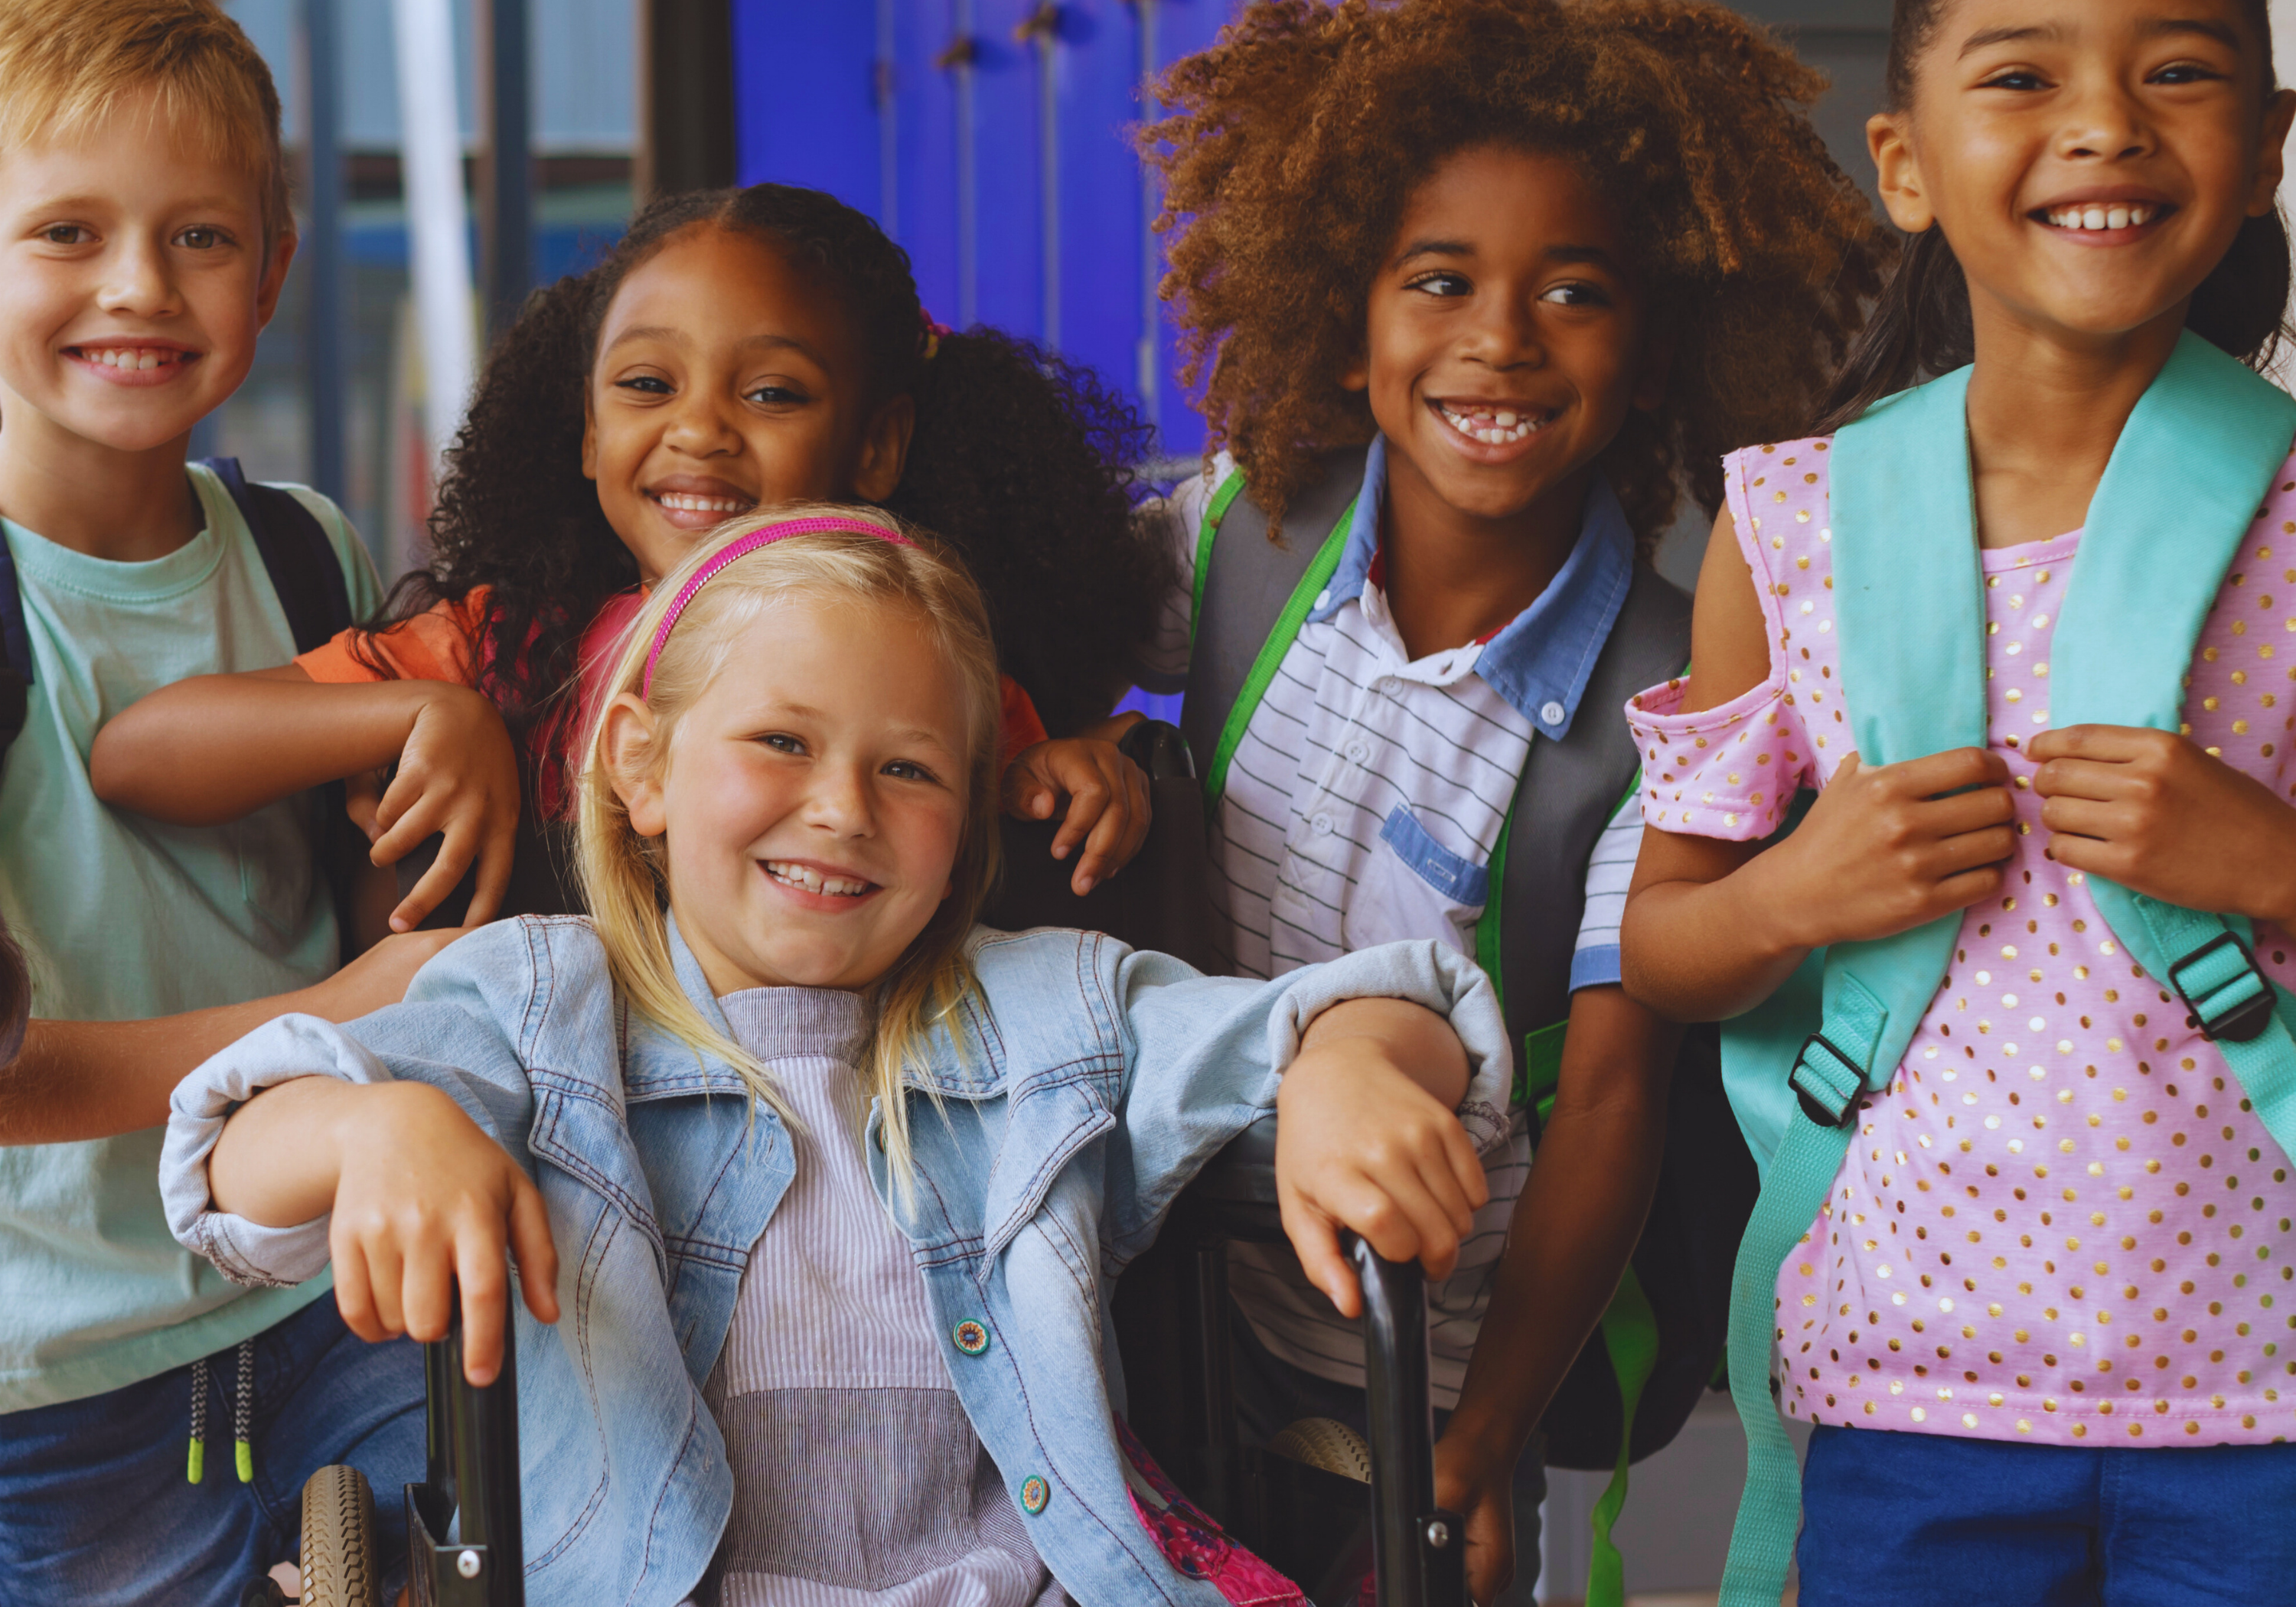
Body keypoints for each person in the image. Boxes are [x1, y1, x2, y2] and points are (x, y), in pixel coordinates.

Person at [158, 510, 1515, 1607]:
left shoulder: (1047, 1013)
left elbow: (1402, 1005)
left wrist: (1347, 1060)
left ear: (967, 811)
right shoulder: (536, 1004)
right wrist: (375, 1128)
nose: (841, 811)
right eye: (783, 743)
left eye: (910, 771)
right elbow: (231, 1152)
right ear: (641, 764)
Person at [1125, 2, 1888, 1598]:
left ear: (1656, 352)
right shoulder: (1233, 536)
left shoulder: (1668, 695)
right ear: (1346, 325)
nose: (1503, 337)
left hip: (1425, 1360)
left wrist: (1479, 1435)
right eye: (1441, 282)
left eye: (1576, 293)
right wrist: (1062, 729)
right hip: (1160, 1300)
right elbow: (966, 643)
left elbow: (1609, 1103)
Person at [1619, 1, 2296, 1601]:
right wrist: (1799, 894)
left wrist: (2272, 858)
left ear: (2268, 149)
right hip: (1913, 1390)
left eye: (2179, 69)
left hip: (2270, 1388)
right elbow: (1663, 953)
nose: (2106, 121)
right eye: (2024, 73)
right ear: (1907, 166)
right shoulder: (1788, 523)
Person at [92, 183, 1169, 932]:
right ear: (589, 432)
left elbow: (1015, 818)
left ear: (878, 445)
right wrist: (425, 713)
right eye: (648, 386)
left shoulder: (935, 670)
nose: (698, 430)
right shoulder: (502, 647)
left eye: (772, 393)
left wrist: (1062, 776)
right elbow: (141, 755)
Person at [0, 4, 451, 1602]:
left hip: (329, 1297)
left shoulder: (301, 550)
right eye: (67, 231)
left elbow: (368, 909)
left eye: (199, 235)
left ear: (270, 271)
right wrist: (331, 1015)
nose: (137, 284)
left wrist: (444, 741)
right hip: (62, 1375)